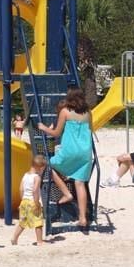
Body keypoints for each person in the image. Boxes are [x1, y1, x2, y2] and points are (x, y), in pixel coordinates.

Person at [37, 88, 93, 227]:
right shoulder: (88, 113)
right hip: (85, 152)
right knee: (80, 183)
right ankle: (82, 218)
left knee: (50, 166)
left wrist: (43, 128)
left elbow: (56, 133)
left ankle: (66, 193)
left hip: (70, 150)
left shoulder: (65, 111)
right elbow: (90, 129)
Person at [11, 154, 47, 246]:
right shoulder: (37, 177)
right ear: (40, 168)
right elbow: (35, 190)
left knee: (22, 222)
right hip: (32, 202)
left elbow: (21, 189)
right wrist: (36, 203)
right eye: (43, 169)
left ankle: (14, 238)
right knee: (38, 222)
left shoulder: (25, 175)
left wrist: (22, 200)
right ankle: (39, 241)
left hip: (24, 201)